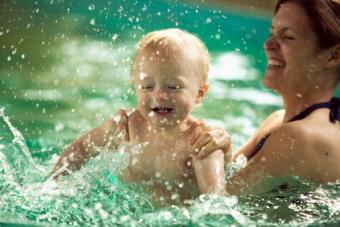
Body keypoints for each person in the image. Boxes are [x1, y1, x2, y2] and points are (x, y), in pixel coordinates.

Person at [51, 28, 231, 205]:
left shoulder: (202, 143)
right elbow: (81, 148)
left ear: (200, 93)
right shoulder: (125, 126)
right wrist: (53, 184)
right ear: (136, 87)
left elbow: (215, 203)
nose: (159, 95)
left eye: (174, 87)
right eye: (147, 87)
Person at [199, 0, 340, 194]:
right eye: (272, 32)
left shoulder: (298, 138)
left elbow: (214, 204)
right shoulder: (278, 120)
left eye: (288, 37)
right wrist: (220, 149)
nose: (268, 44)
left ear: (334, 55)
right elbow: (226, 179)